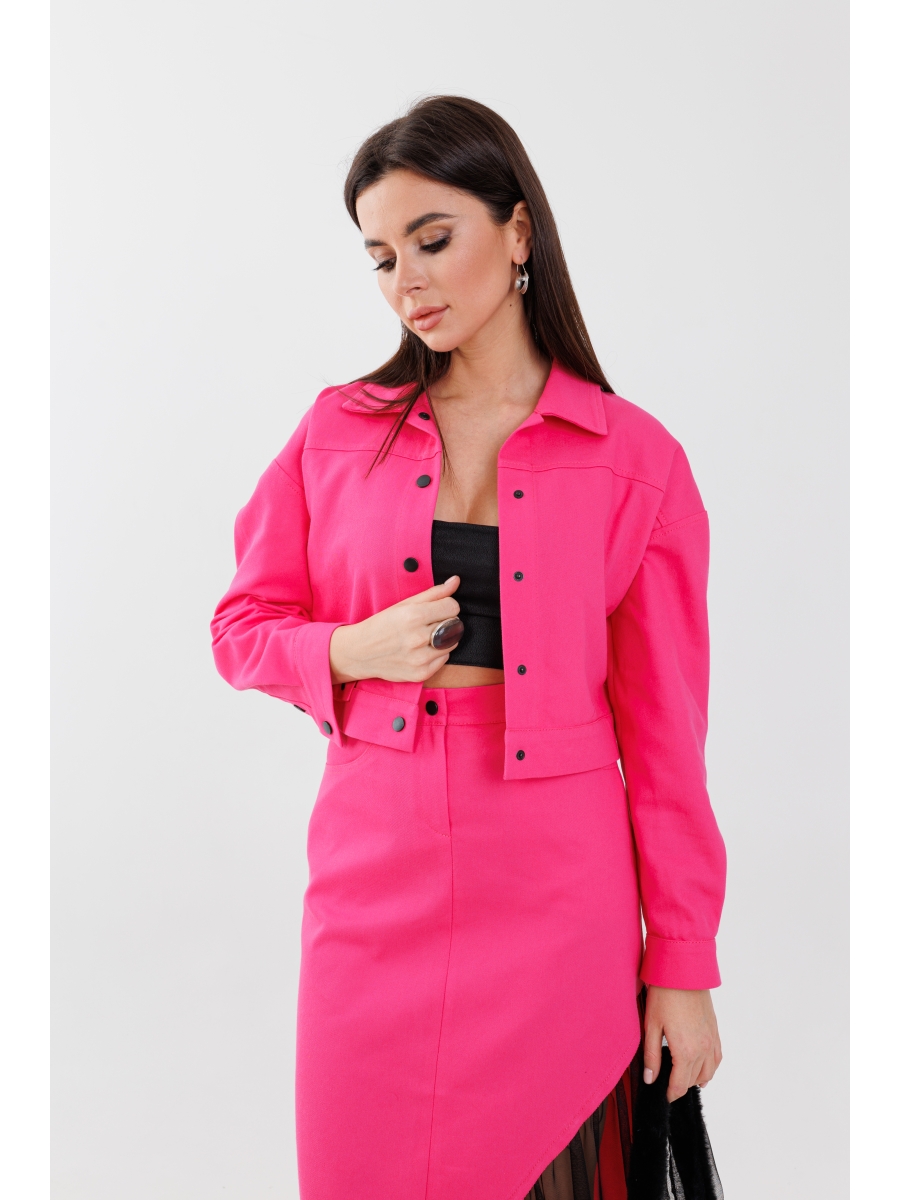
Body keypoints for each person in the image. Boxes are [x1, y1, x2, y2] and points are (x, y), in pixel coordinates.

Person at [211, 95, 726, 1200]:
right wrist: (349, 650)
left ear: (518, 229)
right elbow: (239, 628)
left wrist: (683, 965)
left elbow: (668, 745)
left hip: (558, 897)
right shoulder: (337, 430)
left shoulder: (638, 461)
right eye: (381, 257)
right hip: (371, 881)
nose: (407, 280)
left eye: (433, 239)